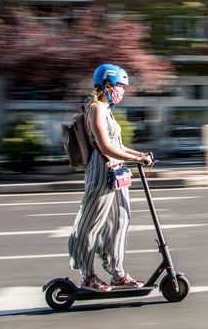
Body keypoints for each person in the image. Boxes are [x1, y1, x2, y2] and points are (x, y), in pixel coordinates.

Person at [68, 63, 154, 292]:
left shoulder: (107, 111)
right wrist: (137, 160)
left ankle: (117, 273)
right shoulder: (95, 109)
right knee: (90, 225)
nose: (123, 91)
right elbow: (105, 147)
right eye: (120, 86)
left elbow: (118, 144)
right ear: (107, 85)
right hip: (101, 173)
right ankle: (88, 276)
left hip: (117, 173)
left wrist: (140, 155)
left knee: (120, 222)